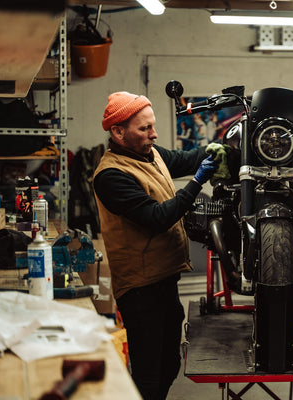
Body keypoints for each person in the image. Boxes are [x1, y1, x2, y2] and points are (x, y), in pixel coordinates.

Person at [93, 91, 218, 400]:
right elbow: (156, 218)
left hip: (164, 279)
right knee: (148, 376)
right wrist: (197, 183)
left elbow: (186, 159)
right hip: (139, 289)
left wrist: (220, 149)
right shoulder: (111, 175)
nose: (154, 134)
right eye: (144, 129)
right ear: (118, 132)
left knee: (169, 365)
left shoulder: (150, 153)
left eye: (153, 126)